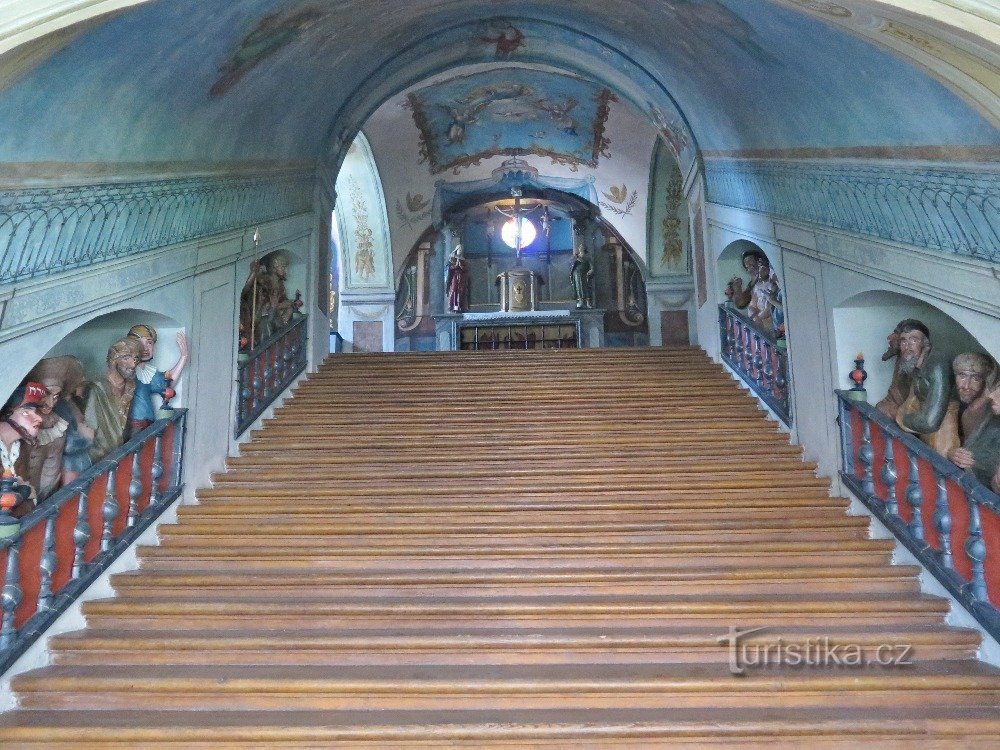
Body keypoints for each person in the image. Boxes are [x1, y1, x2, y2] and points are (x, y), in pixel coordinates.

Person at [894, 320, 959, 457]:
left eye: (914, 340)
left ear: (925, 343)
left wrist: (901, 418)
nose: (908, 346)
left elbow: (931, 422)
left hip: (943, 420)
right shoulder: (914, 362)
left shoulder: (937, 366)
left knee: (939, 459)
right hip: (924, 413)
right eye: (903, 341)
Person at [946, 353, 999, 490]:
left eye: (976, 378)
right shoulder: (990, 418)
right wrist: (952, 453)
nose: (966, 385)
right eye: (962, 376)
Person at [125, 324, 188, 438]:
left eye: (149, 342)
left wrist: (183, 357)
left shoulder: (149, 373)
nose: (145, 347)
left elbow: (167, 384)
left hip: (147, 425)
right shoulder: (127, 371)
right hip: (131, 426)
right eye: (140, 342)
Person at [85, 337, 142, 462]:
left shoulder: (131, 386)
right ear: (113, 360)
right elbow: (89, 428)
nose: (133, 364)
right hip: (98, 460)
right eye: (126, 357)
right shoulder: (95, 388)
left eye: (136, 358)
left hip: (122, 457)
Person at [24, 359, 72, 500]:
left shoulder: (57, 426)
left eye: (56, 397)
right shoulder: (19, 424)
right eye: (45, 395)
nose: (50, 404)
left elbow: (52, 470)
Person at [0, 382, 46, 518]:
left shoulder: (21, 449)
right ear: (6, 413)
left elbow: (30, 504)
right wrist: (24, 491)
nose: (38, 418)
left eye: (35, 412)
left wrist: (19, 495)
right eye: (26, 412)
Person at [240, 250, 295, 346]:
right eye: (283, 267)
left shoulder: (281, 286)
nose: (286, 271)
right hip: (261, 318)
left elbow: (279, 305)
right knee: (265, 326)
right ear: (274, 268)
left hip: (273, 318)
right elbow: (263, 309)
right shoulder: (264, 282)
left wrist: (284, 307)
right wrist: (277, 306)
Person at [876, 319, 916, 420]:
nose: (889, 337)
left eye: (896, 333)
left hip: (904, 415)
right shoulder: (902, 359)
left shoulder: (912, 364)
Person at [746, 254, 780, 333]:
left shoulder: (773, 286)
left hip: (768, 321)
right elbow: (752, 305)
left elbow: (769, 309)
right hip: (759, 320)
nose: (760, 271)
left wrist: (758, 317)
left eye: (763, 269)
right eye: (759, 268)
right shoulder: (757, 285)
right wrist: (753, 315)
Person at [445, 244, 470, 313]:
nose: (460, 251)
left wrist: (461, 266)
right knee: (453, 290)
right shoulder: (451, 257)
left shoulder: (463, 259)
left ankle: (459, 307)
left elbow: (466, 269)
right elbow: (449, 268)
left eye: (462, 250)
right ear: (456, 250)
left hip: (461, 277)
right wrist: (456, 265)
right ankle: (452, 306)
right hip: (454, 276)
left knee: (460, 291)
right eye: (459, 249)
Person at [570, 243, 594, 309]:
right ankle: (580, 302)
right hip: (576, 274)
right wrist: (575, 260)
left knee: (586, 288)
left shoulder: (587, 258)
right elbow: (572, 265)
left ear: (584, 248)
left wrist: (591, 270)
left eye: (582, 247)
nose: (580, 248)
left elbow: (591, 266)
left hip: (584, 274)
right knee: (578, 288)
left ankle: (588, 303)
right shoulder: (575, 257)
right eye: (579, 246)